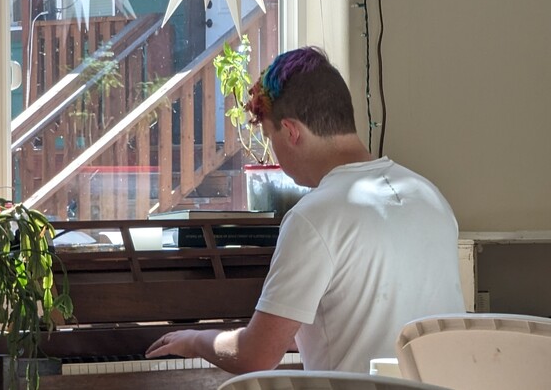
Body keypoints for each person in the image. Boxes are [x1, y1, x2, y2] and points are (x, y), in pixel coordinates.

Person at [146, 46, 465, 374]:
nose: (276, 155)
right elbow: (369, 323)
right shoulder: (429, 196)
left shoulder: (313, 217)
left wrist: (193, 340)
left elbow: (254, 357)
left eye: (271, 138)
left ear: (291, 131)